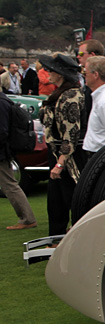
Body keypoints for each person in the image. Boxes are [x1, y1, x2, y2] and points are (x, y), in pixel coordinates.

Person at [38, 53, 85, 235]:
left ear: (61, 74)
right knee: (56, 201)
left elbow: (71, 132)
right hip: (59, 152)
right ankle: (57, 237)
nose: (47, 72)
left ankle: (75, 237)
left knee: (70, 197)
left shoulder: (70, 95)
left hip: (68, 156)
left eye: (51, 70)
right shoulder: (61, 94)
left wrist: (60, 162)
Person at [0, 91, 38, 229]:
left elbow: (2, 131)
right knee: (9, 185)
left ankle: (27, 218)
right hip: (4, 150)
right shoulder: (4, 101)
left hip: (2, 152)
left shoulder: (2, 102)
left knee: (9, 185)